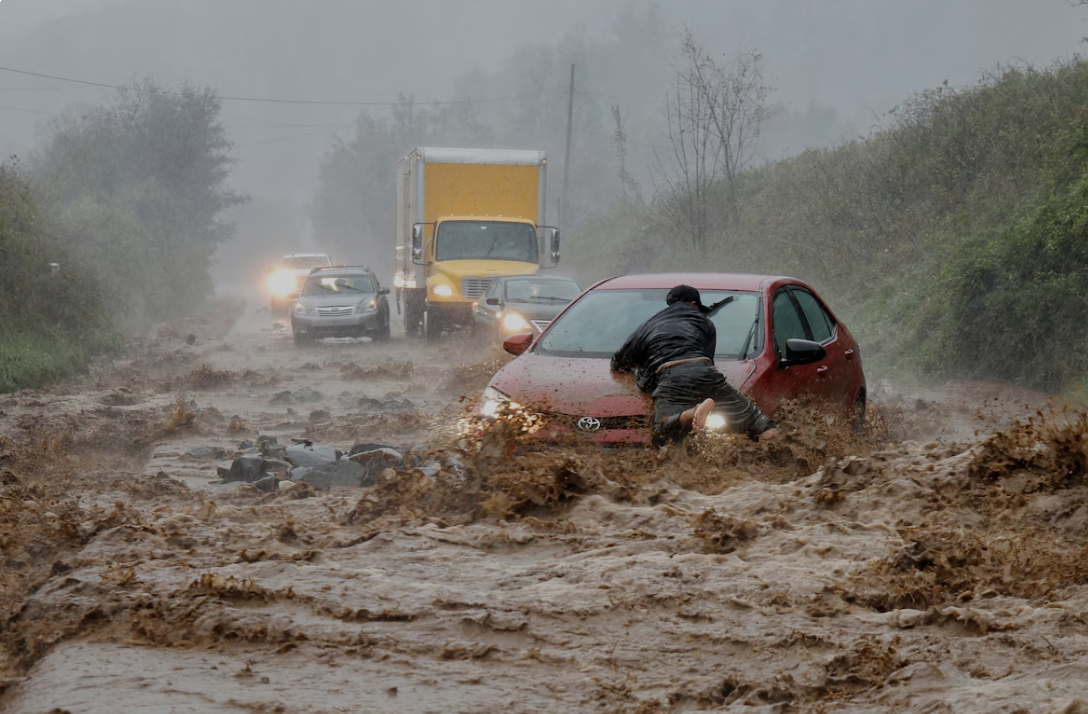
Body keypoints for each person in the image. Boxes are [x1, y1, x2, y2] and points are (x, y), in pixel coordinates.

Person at [611, 284, 779, 447]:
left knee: (661, 435)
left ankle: (690, 414)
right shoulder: (705, 323)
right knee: (760, 424)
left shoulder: (648, 326)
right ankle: (779, 457)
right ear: (694, 304)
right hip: (706, 371)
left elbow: (619, 362)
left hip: (672, 376)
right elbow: (707, 361)